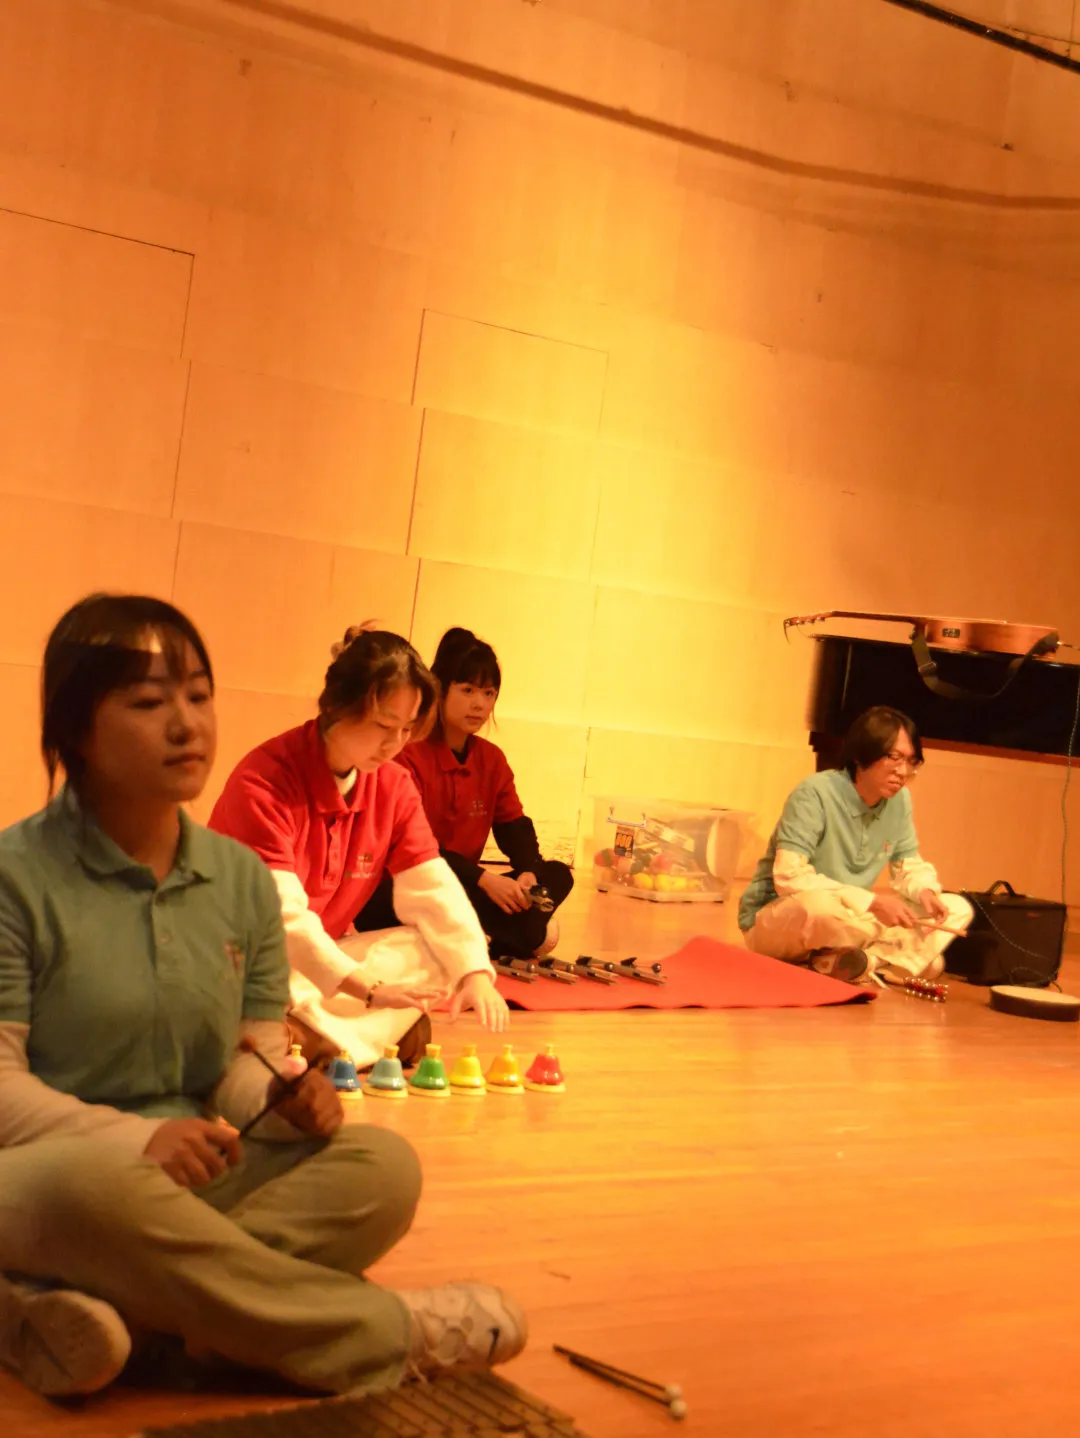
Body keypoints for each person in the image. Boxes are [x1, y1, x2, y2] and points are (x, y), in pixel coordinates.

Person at [0, 594, 525, 1400]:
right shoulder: (16, 878)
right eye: (149, 702)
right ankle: (380, 1331)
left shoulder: (235, 881)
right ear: (75, 727)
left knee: (380, 1166)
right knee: (97, 1187)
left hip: (189, 1172)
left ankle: (112, 1315)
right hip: (49, 1174)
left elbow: (245, 1058)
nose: (187, 724)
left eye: (198, 695)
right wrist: (135, 1139)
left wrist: (281, 1098)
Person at [210, 626, 509, 1073]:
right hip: (234, 961)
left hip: (312, 972)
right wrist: (370, 992)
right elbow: (281, 921)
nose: (394, 744)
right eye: (384, 725)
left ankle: (302, 1038)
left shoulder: (393, 784)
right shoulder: (264, 780)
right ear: (335, 706)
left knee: (439, 948)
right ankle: (354, 1036)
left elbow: (433, 889)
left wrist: (475, 974)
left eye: (407, 729)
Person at [738, 706, 972, 984]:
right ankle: (889, 958)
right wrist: (872, 902)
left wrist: (925, 892)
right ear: (862, 755)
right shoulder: (814, 793)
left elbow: (908, 864)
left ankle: (863, 962)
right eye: (893, 757)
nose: (903, 771)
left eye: (911, 761)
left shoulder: (900, 801)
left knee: (956, 907)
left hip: (851, 917)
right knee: (818, 908)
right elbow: (789, 876)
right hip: (781, 917)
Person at [381, 627, 573, 962]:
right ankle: (514, 935)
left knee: (558, 874)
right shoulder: (409, 753)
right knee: (406, 898)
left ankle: (476, 934)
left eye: (488, 693)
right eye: (467, 690)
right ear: (440, 689)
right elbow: (414, 846)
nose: (480, 704)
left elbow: (514, 826)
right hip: (412, 883)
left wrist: (527, 871)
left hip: (466, 886)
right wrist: (485, 879)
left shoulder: (491, 759)